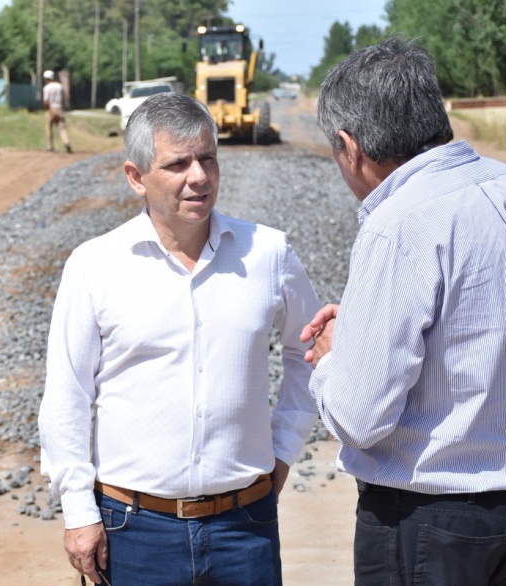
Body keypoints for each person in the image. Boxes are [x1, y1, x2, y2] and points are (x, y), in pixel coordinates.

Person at [300, 37, 506, 586]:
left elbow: (359, 419)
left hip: (428, 528)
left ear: (349, 145)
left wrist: (336, 354)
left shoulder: (399, 221)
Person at [39, 92, 322, 585]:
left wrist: (283, 449)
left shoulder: (269, 254)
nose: (199, 176)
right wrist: (79, 511)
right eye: (178, 164)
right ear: (136, 177)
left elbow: (312, 347)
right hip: (134, 532)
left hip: (245, 528)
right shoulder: (94, 266)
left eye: (207, 158)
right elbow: (67, 393)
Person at [42, 70, 72, 153]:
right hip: (59, 108)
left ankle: (50, 146)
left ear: (46, 79)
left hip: (51, 109)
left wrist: (46, 109)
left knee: (49, 127)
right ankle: (67, 142)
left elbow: (45, 101)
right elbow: (64, 98)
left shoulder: (47, 88)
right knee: (62, 128)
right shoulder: (60, 86)